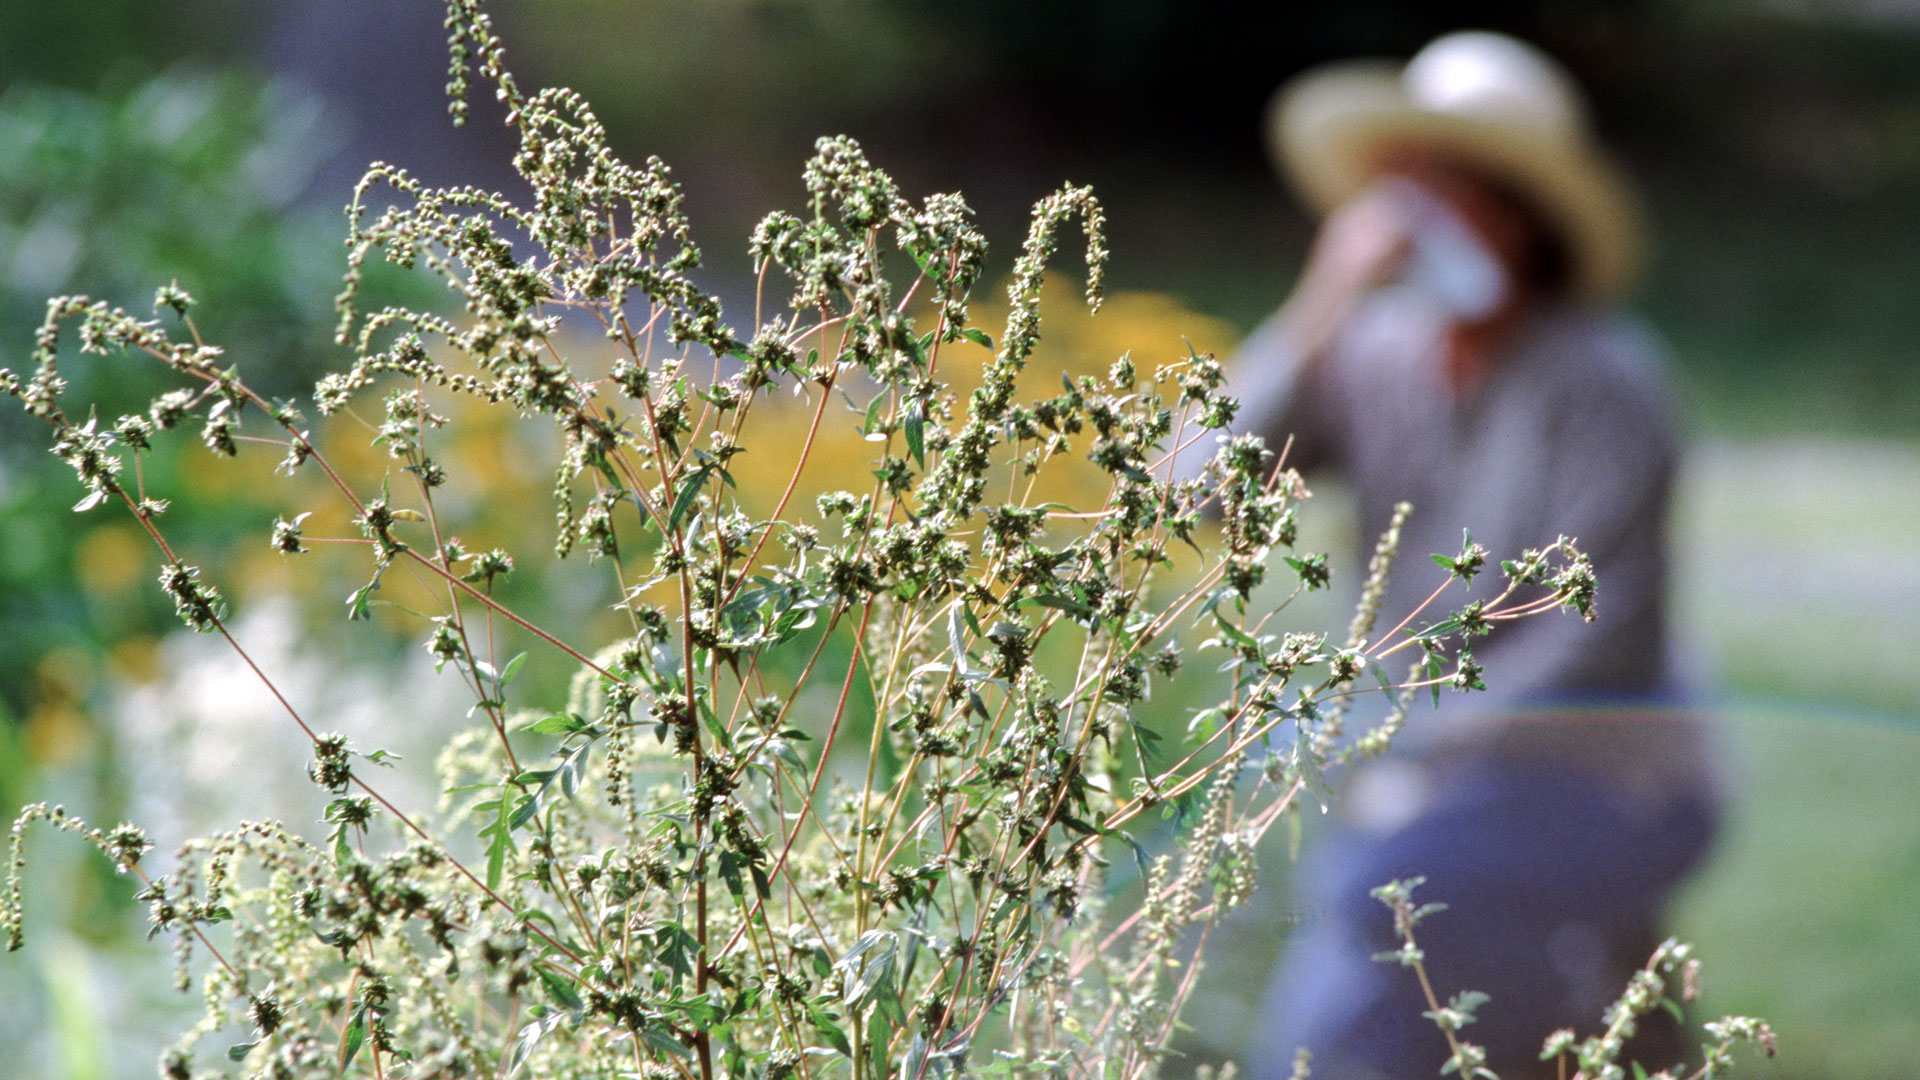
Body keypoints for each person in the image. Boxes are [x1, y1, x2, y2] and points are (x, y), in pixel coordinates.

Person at [1214, 32, 1722, 1080]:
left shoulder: (1605, 384)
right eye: (1409, 194)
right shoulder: (1371, 354)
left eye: (1461, 192)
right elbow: (1198, 496)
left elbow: (1600, 643)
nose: (1429, 221)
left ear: (1524, 218)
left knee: (1387, 903)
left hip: (1607, 779)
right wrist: (1321, 306)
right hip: (1432, 774)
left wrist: (1415, 760)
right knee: (1415, 939)